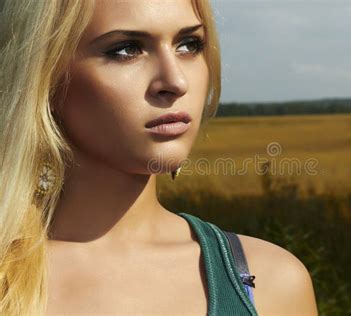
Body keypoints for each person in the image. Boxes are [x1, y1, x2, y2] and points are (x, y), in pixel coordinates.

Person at [0, 0, 319, 315]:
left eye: (189, 44)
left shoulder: (270, 284)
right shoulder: (7, 281)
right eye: (126, 49)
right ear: (44, 76)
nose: (175, 81)